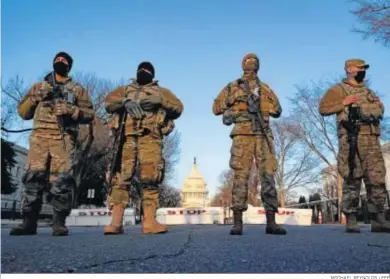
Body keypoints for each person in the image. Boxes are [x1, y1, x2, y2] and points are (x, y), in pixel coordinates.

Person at [10, 52, 94, 236]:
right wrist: (35, 98)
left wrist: (73, 110)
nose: (60, 62)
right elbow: (23, 113)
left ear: (69, 66)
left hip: (63, 139)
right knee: (33, 179)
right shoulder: (39, 86)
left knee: (62, 181)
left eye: (64, 61)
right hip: (39, 138)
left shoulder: (77, 89)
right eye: (57, 59)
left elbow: (90, 114)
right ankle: (28, 222)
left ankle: (59, 223)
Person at [103, 61, 183, 235]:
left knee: (150, 178)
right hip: (126, 138)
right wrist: (124, 102)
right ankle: (116, 222)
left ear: (153, 75)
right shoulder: (125, 89)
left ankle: (149, 221)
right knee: (121, 178)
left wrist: (160, 101)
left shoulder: (161, 92)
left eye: (147, 70)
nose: (143, 72)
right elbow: (108, 102)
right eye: (141, 69)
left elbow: (178, 107)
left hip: (150, 138)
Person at [212, 53, 286, 235]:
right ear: (242, 65)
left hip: (262, 135)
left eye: (254, 62)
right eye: (247, 61)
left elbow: (277, 109)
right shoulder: (232, 87)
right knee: (240, 177)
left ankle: (271, 220)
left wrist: (263, 103)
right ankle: (237, 221)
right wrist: (237, 108)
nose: (251, 64)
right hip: (242, 135)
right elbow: (216, 108)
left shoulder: (264, 88)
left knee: (267, 176)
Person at [319, 59, 389, 233]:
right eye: (360, 68)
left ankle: (378, 218)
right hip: (351, 137)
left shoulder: (369, 91)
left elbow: (380, 109)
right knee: (352, 176)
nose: (362, 71)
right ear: (349, 70)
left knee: (377, 177)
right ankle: (351, 218)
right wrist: (343, 103)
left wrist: (378, 107)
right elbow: (323, 108)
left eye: (364, 68)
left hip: (371, 138)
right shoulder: (338, 89)